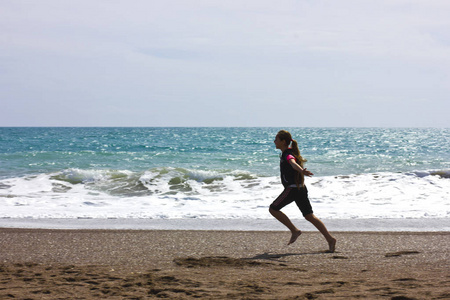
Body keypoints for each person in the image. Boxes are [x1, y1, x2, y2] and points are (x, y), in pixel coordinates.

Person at [269, 130, 336, 252]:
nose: (274, 142)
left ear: (283, 142)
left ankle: (295, 230)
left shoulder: (287, 154)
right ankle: (330, 239)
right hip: (301, 189)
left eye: (276, 139)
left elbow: (292, 162)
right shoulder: (289, 152)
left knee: (273, 209)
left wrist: (302, 171)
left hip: (292, 189)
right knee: (309, 216)